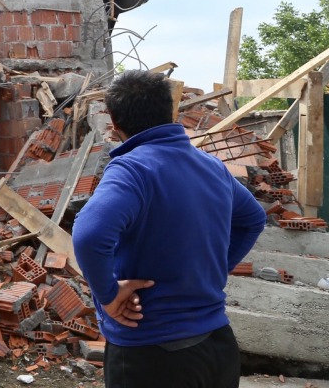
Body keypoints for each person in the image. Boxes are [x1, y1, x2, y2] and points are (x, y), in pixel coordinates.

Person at [72, 70, 267, 388]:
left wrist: (108, 296)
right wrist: (213, 270)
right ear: (171, 112)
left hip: (154, 354)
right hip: (218, 348)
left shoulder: (132, 169)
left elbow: (89, 236)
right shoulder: (212, 167)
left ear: (115, 124)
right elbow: (252, 220)